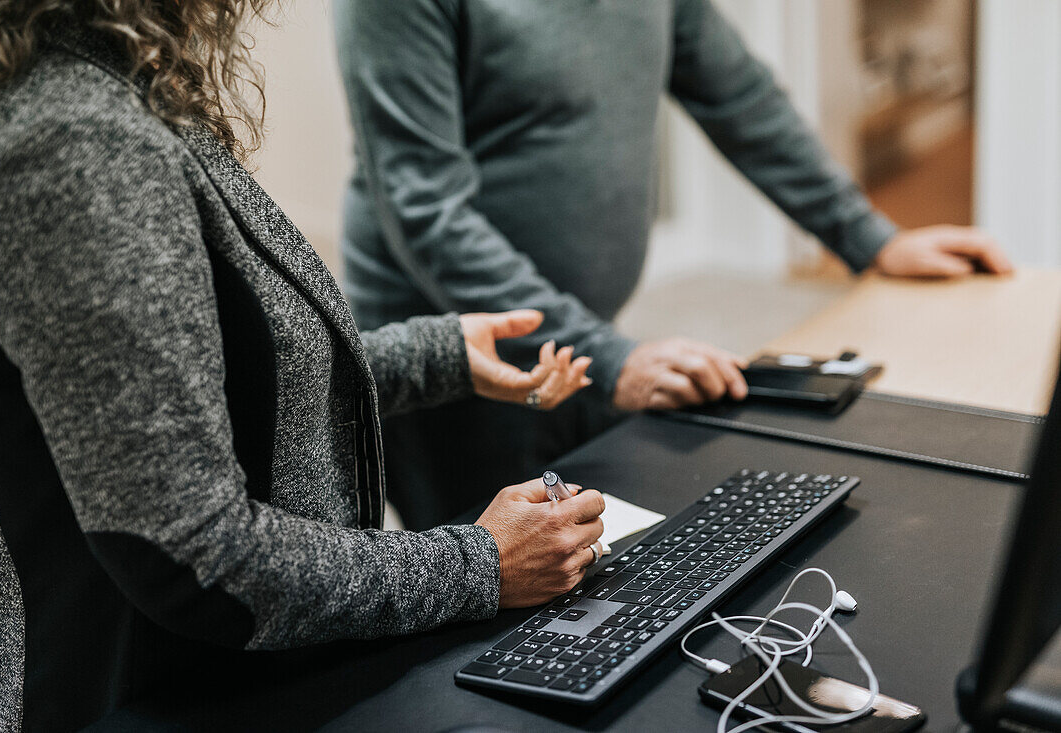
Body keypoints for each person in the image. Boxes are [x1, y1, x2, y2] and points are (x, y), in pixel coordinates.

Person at [0, 5, 605, 731]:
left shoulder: (118, 94)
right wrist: (480, 563)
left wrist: (436, 355)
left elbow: (220, 378)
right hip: (158, 697)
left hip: (246, 672)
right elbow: (196, 556)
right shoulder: (78, 144)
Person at [333, 0, 1015, 531]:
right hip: (454, 353)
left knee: (611, 554)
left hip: (584, 330)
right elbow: (424, 208)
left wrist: (870, 238)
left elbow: (739, 97)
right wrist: (610, 357)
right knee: (506, 606)